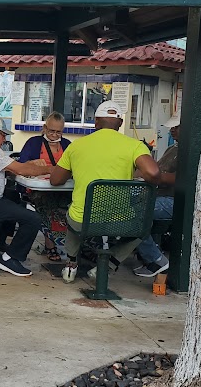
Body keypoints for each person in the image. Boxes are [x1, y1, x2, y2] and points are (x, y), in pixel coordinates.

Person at [50, 101, 161, 283]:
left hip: (83, 221)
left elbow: (55, 180)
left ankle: (71, 264)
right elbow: (153, 173)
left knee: (73, 214)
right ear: (120, 123)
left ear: (96, 122)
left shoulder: (77, 145)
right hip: (120, 222)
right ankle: (109, 265)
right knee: (143, 226)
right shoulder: (134, 145)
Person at [0, 116, 49, 277]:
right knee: (33, 218)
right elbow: (20, 170)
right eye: (3, 135)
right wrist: (51, 169)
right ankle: (11, 258)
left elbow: (11, 168)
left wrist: (29, 164)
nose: (4, 139)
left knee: (13, 197)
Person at [18, 112, 72, 262]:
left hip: (62, 188)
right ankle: (50, 244)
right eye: (51, 131)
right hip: (38, 189)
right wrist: (32, 163)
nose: (54, 135)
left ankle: (75, 245)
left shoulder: (67, 145)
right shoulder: (33, 143)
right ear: (44, 128)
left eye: (58, 132)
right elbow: (21, 165)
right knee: (47, 206)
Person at [132, 112, 180, 277]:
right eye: (172, 127)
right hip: (157, 194)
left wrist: (152, 176)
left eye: (176, 127)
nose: (172, 130)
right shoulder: (172, 148)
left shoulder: (189, 152)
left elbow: (177, 179)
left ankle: (156, 259)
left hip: (174, 201)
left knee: (135, 213)